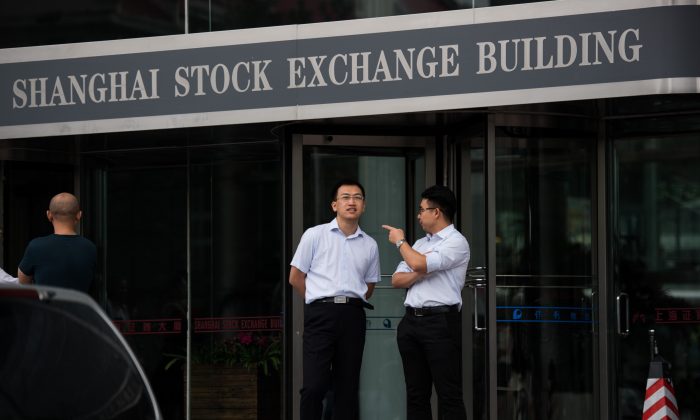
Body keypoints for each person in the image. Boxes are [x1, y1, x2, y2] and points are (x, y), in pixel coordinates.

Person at [289, 179, 380, 420]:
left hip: (353, 316)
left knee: (347, 387)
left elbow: (369, 286)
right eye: (346, 197)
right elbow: (296, 277)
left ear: (364, 205)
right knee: (314, 386)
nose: (352, 202)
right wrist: (318, 301)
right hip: (321, 315)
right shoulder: (315, 235)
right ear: (334, 205)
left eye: (357, 197)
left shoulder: (370, 244)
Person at [382, 185, 470, 420]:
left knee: (448, 393)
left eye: (422, 210)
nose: (419, 215)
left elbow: (418, 264)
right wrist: (422, 269)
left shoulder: (456, 242)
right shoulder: (420, 245)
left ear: (437, 212)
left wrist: (401, 243)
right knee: (416, 395)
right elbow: (397, 280)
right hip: (411, 323)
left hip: (441, 323)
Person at [18, 192, 97, 293]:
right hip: (79, 308)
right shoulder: (90, 248)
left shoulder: (36, 246)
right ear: (79, 215)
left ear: (49, 215)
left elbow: (23, 283)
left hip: (45, 308)